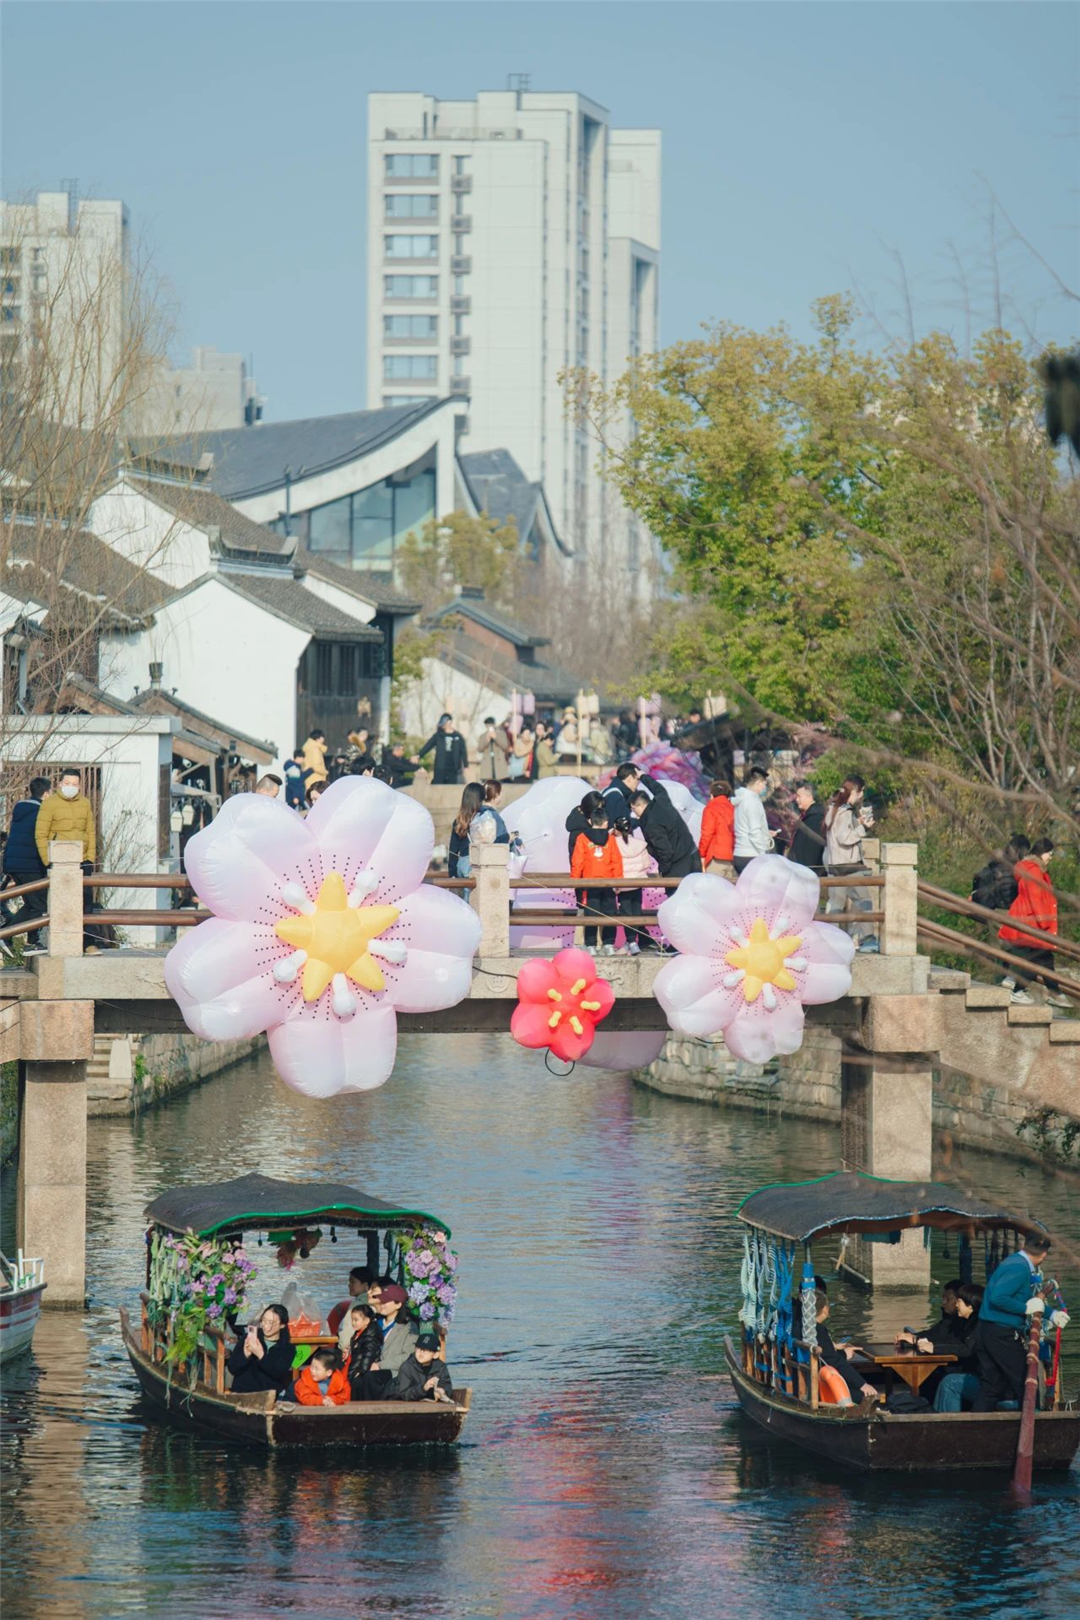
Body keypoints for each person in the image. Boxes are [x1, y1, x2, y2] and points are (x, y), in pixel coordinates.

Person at [972, 1232, 1053, 1412]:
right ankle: (1036, 1428)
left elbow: (1024, 1298)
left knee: (990, 1386)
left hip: (986, 1330)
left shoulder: (1014, 1261)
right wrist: (1025, 1310)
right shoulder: (1020, 1268)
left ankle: (976, 1432)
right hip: (1001, 1333)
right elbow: (999, 1298)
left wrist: (1051, 1314)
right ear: (1044, 1254)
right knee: (1027, 1383)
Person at [999, 838, 1064, 1006]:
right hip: (1032, 922)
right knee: (1036, 958)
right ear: (1042, 853)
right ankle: (1016, 986)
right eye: (1050, 853)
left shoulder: (1032, 869)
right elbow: (1035, 897)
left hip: (1027, 920)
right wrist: (1044, 922)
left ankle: (1052, 992)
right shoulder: (1034, 871)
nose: (1051, 857)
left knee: (1041, 958)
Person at [823, 776, 877, 951]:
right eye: (861, 792)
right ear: (856, 792)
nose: (861, 796)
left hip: (835, 864)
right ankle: (867, 939)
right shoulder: (845, 811)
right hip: (849, 865)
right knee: (865, 901)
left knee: (836, 904)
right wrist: (864, 828)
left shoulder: (832, 809)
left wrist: (857, 823)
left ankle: (830, 940)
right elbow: (844, 837)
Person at [3, 776, 50, 957]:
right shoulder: (41, 812)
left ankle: (14, 936)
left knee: (31, 904)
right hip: (30, 864)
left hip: (15, 863)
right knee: (39, 903)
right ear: (46, 794)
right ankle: (26, 940)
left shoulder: (21, 809)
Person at [571, 806, 623, 953]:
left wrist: (574, 880)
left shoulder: (582, 838)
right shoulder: (611, 839)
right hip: (609, 882)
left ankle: (591, 946)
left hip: (589, 883)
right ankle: (608, 945)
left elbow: (578, 861)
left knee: (591, 914)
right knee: (610, 914)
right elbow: (616, 861)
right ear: (605, 823)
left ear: (591, 821)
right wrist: (619, 881)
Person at [628, 777, 701, 881]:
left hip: (677, 867)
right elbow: (659, 789)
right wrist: (643, 776)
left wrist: (662, 870)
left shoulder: (651, 825)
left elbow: (665, 851)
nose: (634, 812)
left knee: (677, 895)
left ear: (641, 805)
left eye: (634, 809)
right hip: (692, 855)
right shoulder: (663, 803)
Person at [929, 1282, 985, 1412]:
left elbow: (966, 1349)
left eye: (959, 1301)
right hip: (976, 1373)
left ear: (970, 1306)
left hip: (987, 1382)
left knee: (950, 1382)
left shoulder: (979, 1325)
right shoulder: (966, 1323)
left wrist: (933, 1348)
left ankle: (949, 1425)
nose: (956, 1305)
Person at [815, 1291, 877, 1401]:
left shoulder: (808, 1328)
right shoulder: (818, 1331)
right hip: (822, 1384)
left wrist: (841, 1352)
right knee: (863, 1395)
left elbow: (826, 1355)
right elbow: (833, 1360)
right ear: (824, 1309)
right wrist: (863, 1385)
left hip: (820, 1376)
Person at [226, 1304, 294, 1394]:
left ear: (282, 1325)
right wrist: (245, 1356)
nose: (266, 1326)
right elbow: (232, 1368)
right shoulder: (249, 1338)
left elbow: (278, 1373)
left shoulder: (287, 1348)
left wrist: (261, 1355)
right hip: (242, 1393)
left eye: (271, 1323)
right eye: (264, 1321)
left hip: (268, 1395)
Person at [613, 816, 656, 955]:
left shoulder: (613, 843)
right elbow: (646, 864)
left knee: (626, 913)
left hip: (622, 884)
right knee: (636, 911)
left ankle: (631, 942)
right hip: (637, 882)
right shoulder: (640, 844)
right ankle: (632, 942)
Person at [386, 1333, 454, 1403]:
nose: (421, 1352)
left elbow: (447, 1385)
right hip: (398, 1403)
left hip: (427, 1405)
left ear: (436, 1354)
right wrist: (423, 1388)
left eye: (426, 1350)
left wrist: (442, 1391)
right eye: (418, 1348)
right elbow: (404, 1394)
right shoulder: (407, 1367)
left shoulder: (440, 1367)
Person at [373, 1283, 419, 1377]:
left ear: (398, 1304)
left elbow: (408, 1356)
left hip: (393, 1373)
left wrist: (380, 1365)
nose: (381, 1304)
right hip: (370, 1369)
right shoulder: (374, 1323)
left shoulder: (409, 1327)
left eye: (385, 1301)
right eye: (381, 1301)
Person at [731, 767, 772, 873]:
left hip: (739, 853)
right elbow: (754, 831)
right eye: (764, 784)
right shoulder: (752, 801)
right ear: (758, 783)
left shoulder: (741, 800)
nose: (764, 787)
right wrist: (763, 854)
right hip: (751, 855)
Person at [331, 1265, 377, 1352]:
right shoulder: (376, 1303)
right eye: (349, 1282)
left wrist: (342, 1349)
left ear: (365, 1285)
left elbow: (347, 1333)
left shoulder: (356, 1305)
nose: (349, 1285)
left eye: (353, 1282)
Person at [346, 1300, 384, 1395]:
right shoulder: (360, 1333)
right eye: (352, 1320)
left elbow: (368, 1354)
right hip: (354, 1363)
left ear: (366, 1321)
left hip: (358, 1367)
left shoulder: (370, 1336)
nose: (353, 1323)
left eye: (356, 1320)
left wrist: (362, 1370)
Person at [787, 781, 827, 870]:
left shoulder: (815, 818)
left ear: (810, 797)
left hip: (807, 870)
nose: (796, 800)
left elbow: (812, 850)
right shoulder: (808, 816)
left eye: (799, 796)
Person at [419, 714, 468, 785]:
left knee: (451, 788)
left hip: (453, 768)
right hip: (440, 767)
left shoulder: (458, 736)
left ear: (449, 722)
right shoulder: (438, 735)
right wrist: (419, 755)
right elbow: (428, 745)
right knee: (437, 786)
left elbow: (463, 751)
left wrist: (466, 765)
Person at [449, 783, 485, 878]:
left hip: (461, 864)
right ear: (479, 800)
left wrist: (452, 874)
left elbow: (453, 850)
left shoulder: (458, 821)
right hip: (473, 864)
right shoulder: (482, 819)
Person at [698, 779, 735, 873]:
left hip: (716, 856)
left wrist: (702, 854)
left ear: (711, 795)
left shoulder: (710, 808)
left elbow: (707, 834)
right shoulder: (734, 809)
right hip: (733, 857)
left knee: (714, 886)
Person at [565, 790, 607, 865]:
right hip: (585, 871)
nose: (600, 812)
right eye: (598, 809)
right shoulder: (579, 830)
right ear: (590, 809)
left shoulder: (580, 815)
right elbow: (577, 858)